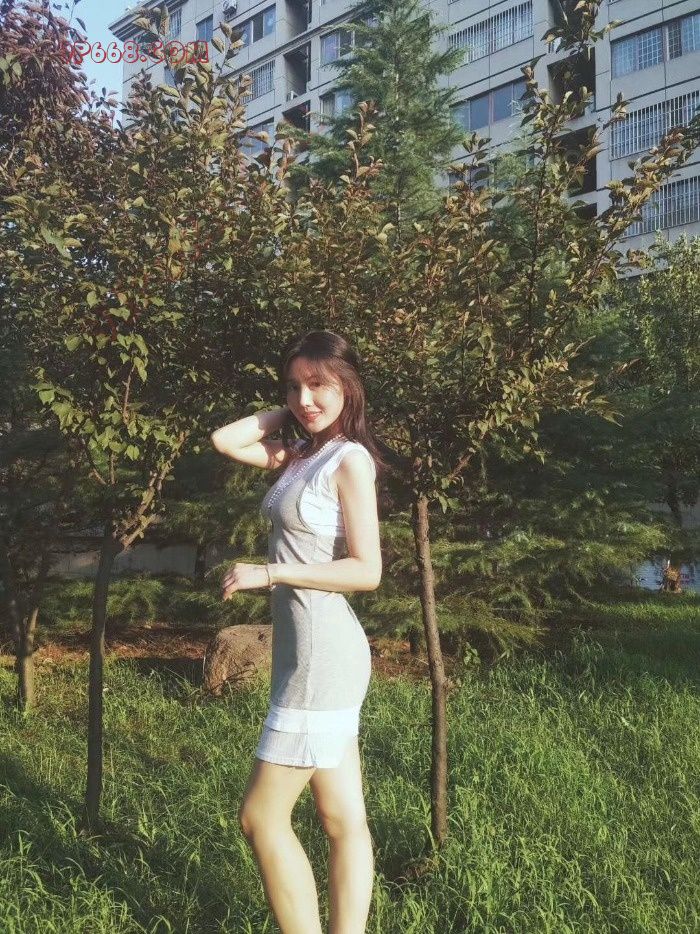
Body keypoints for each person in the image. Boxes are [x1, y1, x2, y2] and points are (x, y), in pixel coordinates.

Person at [210, 330, 389, 934]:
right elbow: (225, 440)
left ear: (349, 388)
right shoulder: (303, 455)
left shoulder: (348, 461)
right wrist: (292, 411)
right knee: (342, 820)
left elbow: (367, 570)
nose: (304, 398)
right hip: (309, 652)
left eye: (319, 385)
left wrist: (270, 573)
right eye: (293, 386)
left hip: (321, 654)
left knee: (260, 818)